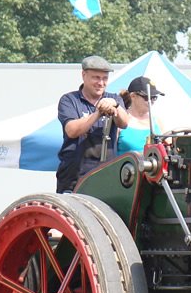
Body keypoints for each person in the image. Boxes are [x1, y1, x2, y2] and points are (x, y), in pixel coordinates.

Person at [55, 55, 129, 193]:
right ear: (84, 75)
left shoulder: (114, 98)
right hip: (73, 179)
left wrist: (115, 105)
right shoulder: (69, 100)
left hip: (105, 177)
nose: (101, 83)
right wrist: (98, 112)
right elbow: (71, 130)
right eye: (96, 77)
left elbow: (124, 123)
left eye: (104, 78)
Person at [117, 76, 165, 154]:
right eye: (147, 97)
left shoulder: (157, 122)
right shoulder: (120, 120)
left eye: (154, 97)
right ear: (133, 96)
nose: (151, 101)